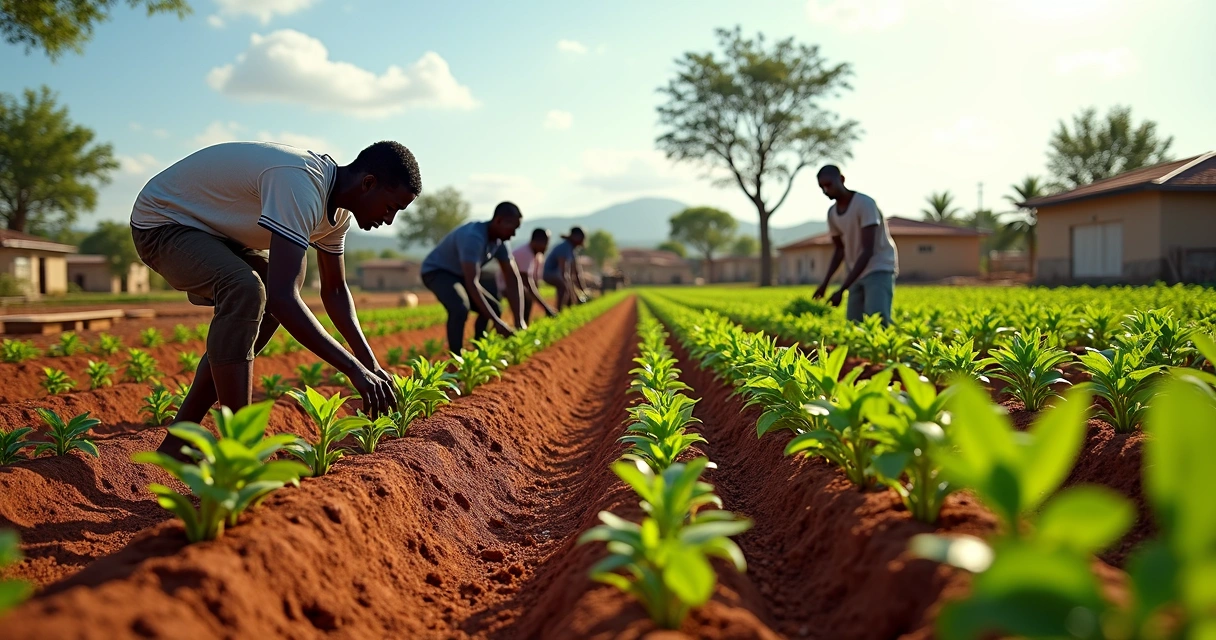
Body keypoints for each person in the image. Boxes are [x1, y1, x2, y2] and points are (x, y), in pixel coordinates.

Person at [130, 140, 420, 458]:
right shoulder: (300, 183)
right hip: (162, 223)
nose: (389, 220)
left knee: (266, 292)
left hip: (214, 232)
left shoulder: (336, 216)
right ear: (368, 184)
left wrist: (372, 367)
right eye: (391, 207)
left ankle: (178, 442)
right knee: (248, 289)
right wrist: (353, 370)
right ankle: (241, 449)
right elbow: (284, 298)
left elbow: (335, 292)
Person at [421, 202, 526, 353]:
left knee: (495, 307)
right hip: (437, 271)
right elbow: (472, 283)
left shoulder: (500, 241)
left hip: (460, 275)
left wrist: (519, 320)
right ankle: (456, 358)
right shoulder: (474, 237)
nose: (513, 234)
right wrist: (497, 323)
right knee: (459, 307)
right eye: (512, 229)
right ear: (498, 221)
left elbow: (512, 278)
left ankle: (478, 351)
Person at [811, 165, 899, 324]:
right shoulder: (832, 213)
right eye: (821, 187)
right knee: (854, 323)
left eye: (829, 185)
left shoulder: (864, 204)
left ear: (842, 179)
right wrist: (825, 285)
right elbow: (839, 250)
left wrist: (842, 289)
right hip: (855, 271)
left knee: (877, 321)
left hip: (878, 267)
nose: (825, 190)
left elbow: (868, 250)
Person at [496, 228, 558, 324]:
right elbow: (527, 283)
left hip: (514, 285)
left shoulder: (535, 255)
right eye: (545, 242)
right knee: (526, 297)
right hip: (505, 286)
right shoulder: (525, 253)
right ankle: (520, 325)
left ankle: (523, 325)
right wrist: (546, 308)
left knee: (527, 298)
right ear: (536, 241)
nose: (546, 246)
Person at [542, 227, 589, 310]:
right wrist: (573, 294)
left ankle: (569, 307)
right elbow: (563, 272)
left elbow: (576, 272)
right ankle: (559, 310)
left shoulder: (572, 250)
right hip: (550, 273)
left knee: (567, 285)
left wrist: (584, 291)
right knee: (565, 286)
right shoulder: (564, 247)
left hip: (558, 273)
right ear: (577, 237)